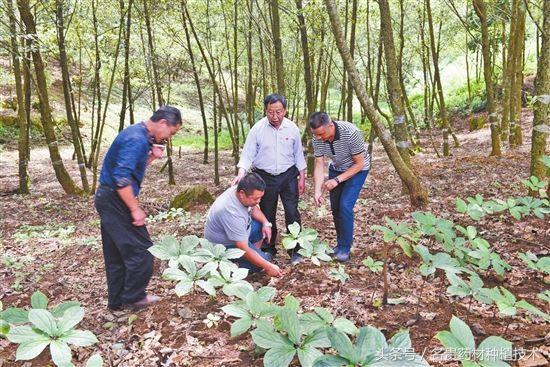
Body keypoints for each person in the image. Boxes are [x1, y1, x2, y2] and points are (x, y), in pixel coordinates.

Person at [94, 106, 182, 310]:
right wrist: (134, 209)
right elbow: (121, 179)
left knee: (116, 254)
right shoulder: (137, 139)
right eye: (171, 132)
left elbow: (131, 169)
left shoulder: (139, 134)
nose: (169, 137)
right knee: (142, 251)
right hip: (115, 200)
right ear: (162, 123)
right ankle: (133, 298)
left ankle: (117, 303)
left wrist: (151, 156)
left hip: (107, 198)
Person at [232, 94, 307, 264]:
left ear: (285, 111)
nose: (275, 117)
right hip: (265, 177)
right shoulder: (257, 129)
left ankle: (295, 250)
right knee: (267, 213)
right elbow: (247, 155)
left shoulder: (292, 128)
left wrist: (302, 177)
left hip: (288, 175)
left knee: (292, 212)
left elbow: (298, 155)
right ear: (265, 111)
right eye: (270, 112)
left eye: (278, 112)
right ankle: (268, 248)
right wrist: (241, 174)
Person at [310, 112, 370, 262]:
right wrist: (317, 191)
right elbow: (319, 164)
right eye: (315, 134)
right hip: (336, 167)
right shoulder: (317, 136)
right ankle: (339, 244)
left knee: (345, 205)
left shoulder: (351, 132)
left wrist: (337, 180)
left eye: (321, 134)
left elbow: (359, 163)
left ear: (330, 126)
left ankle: (345, 248)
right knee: (336, 207)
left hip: (357, 169)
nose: (318, 138)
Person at [205, 172, 283, 277]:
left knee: (260, 225)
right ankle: (230, 268)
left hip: (238, 233)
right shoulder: (230, 211)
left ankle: (255, 255)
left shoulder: (240, 192)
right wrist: (268, 267)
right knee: (261, 264)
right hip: (222, 246)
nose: (258, 201)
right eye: (256, 198)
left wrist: (266, 223)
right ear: (242, 194)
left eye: (260, 198)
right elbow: (242, 247)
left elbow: (253, 208)